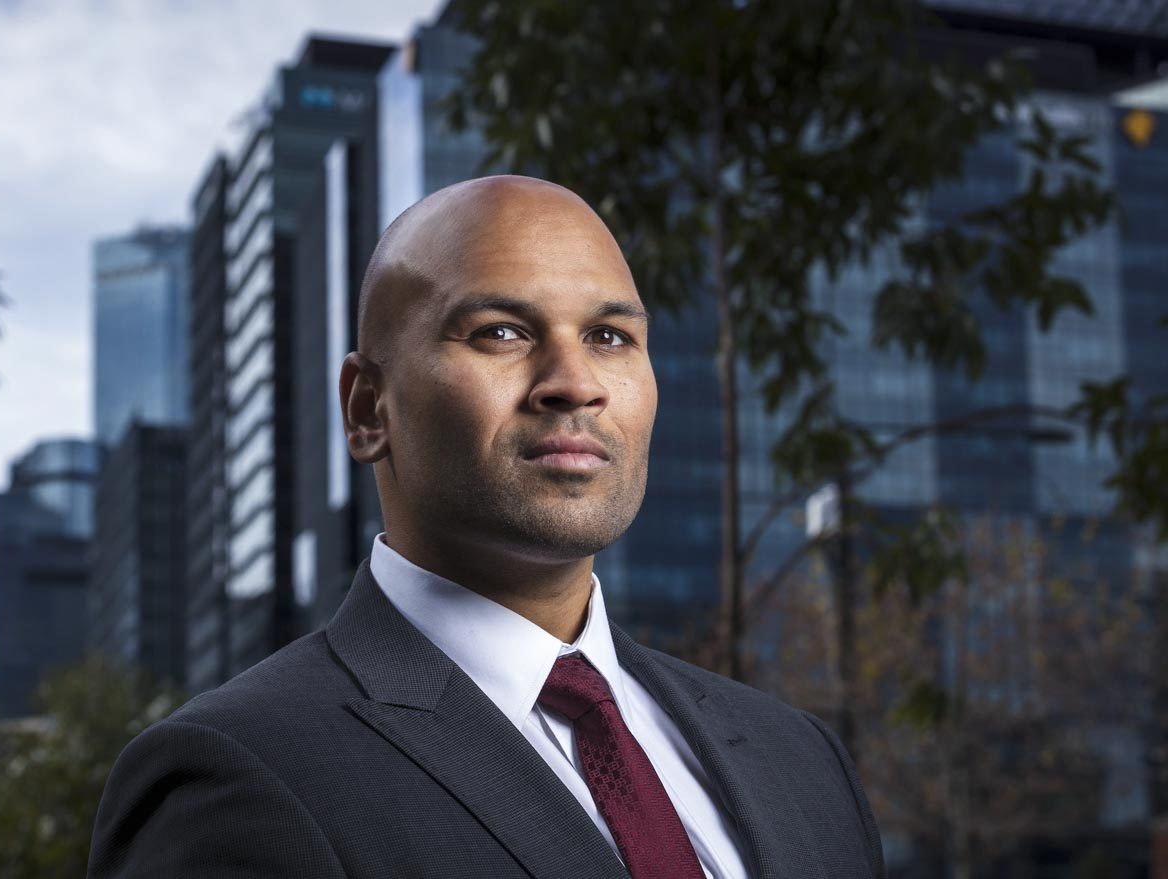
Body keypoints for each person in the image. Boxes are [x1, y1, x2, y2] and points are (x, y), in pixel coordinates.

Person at [87, 176, 884, 879]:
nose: (575, 384)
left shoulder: (801, 760)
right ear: (368, 409)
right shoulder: (238, 777)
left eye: (609, 337)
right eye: (502, 331)